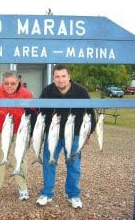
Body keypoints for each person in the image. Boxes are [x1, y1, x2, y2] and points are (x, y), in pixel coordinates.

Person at [36, 64, 96, 208]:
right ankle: (47, 193)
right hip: (52, 136)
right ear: (53, 77)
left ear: (69, 77)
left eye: (63, 76)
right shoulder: (47, 91)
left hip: (74, 136)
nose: (60, 80)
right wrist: (38, 134)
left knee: (74, 165)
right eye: (57, 76)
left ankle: (73, 195)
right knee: (49, 164)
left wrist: (89, 132)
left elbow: (90, 114)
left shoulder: (80, 91)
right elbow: (40, 114)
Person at [0, 71, 36, 201]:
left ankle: (22, 187)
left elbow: (33, 115)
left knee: (20, 158)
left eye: (13, 83)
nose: (9, 86)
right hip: (0, 130)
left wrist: (31, 134)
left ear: (18, 82)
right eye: (6, 83)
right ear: (2, 82)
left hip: (20, 131)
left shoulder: (26, 94)